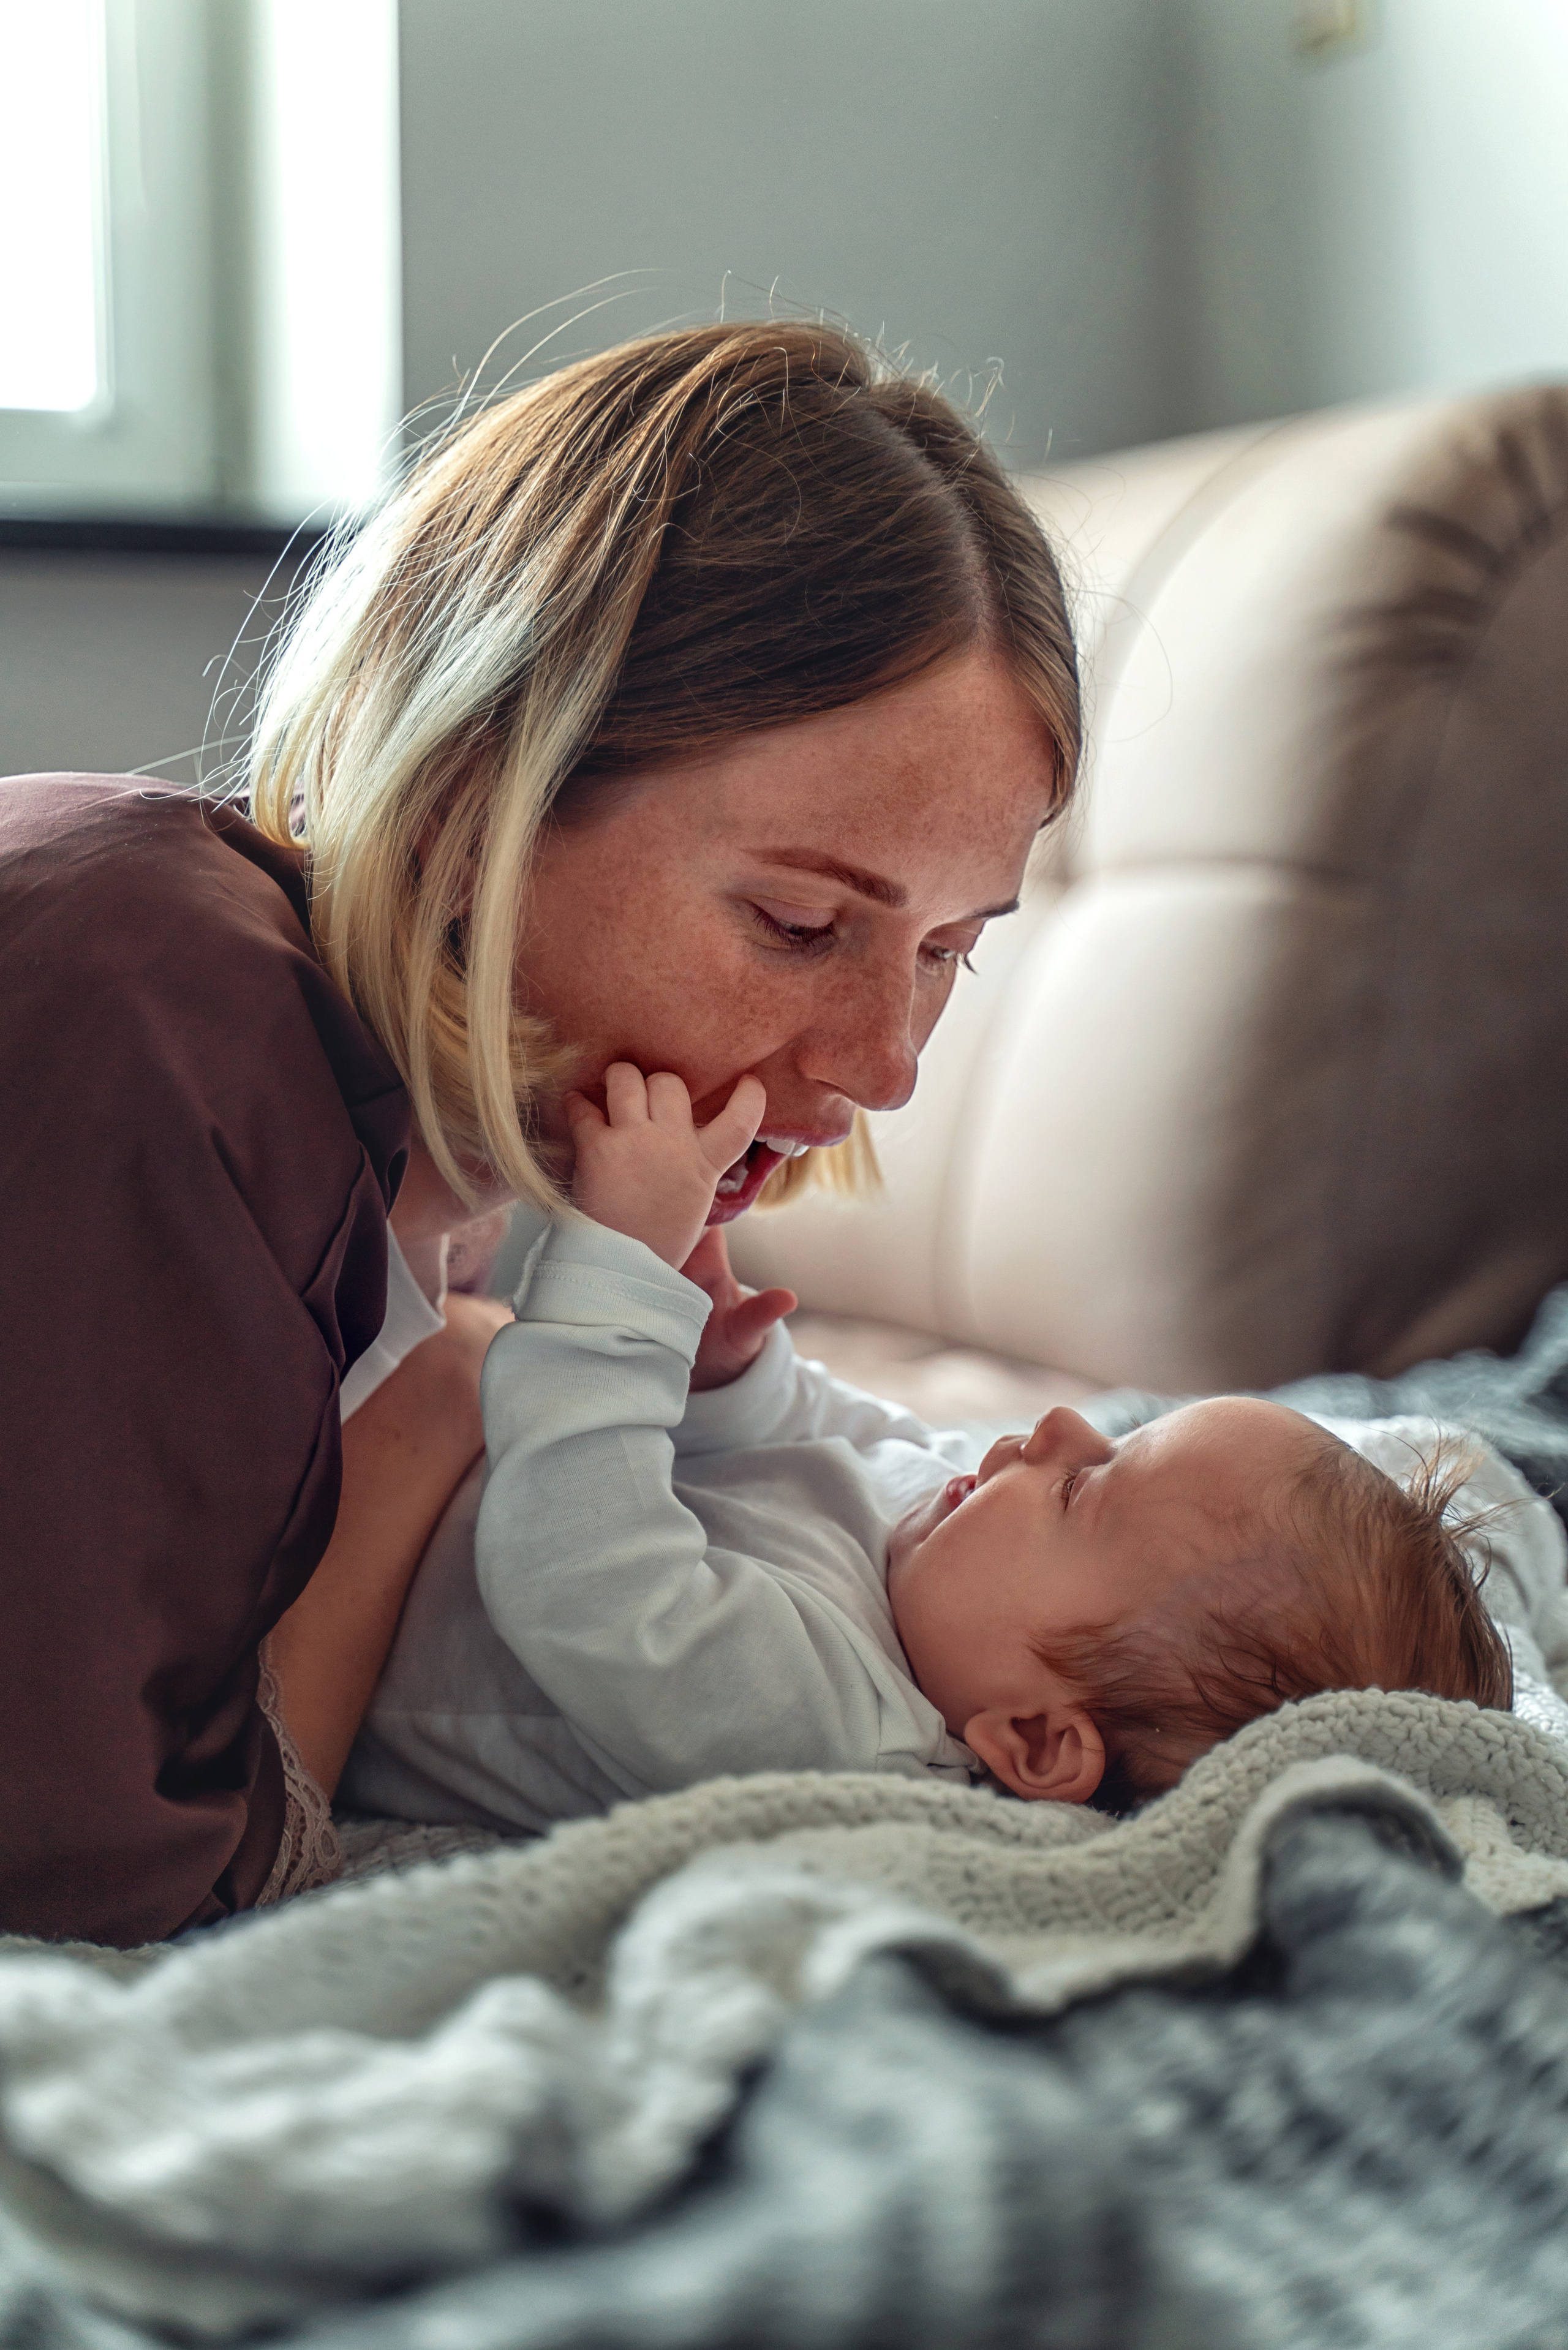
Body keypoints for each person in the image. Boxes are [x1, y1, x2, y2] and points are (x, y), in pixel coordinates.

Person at [0, 321, 1080, 1945]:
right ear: (468, 801)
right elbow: (82, 1877)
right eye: (800, 921)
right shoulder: (159, 1009)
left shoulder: (406, 1184)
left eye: (948, 950)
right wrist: (442, 1407)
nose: (887, 1065)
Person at [342, 1061, 1533, 1832]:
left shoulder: (820, 1724)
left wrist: (622, 1276)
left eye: (1084, 1490)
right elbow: (823, 1437)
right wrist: (723, 1375)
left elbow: (582, 1561)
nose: (1062, 1426)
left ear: (1032, 1738)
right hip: (422, 1423)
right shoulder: (946, 1568)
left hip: (319, 1588)